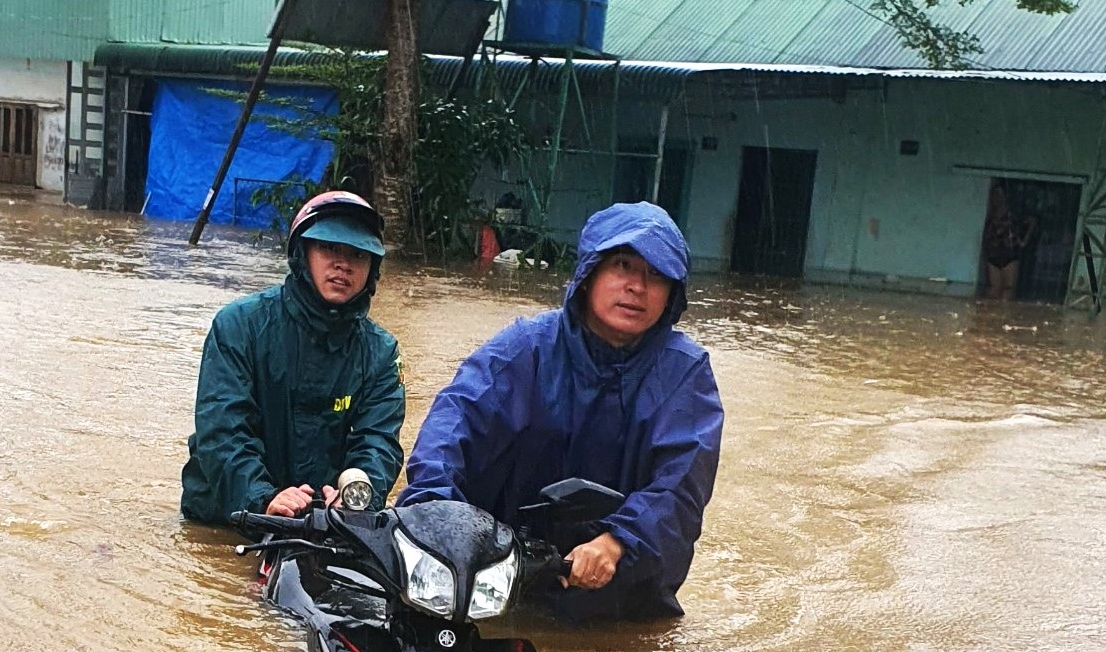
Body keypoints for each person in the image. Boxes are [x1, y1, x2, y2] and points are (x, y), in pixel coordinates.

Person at [398, 202, 724, 622]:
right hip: (497, 579)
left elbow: (680, 488)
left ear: (671, 294)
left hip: (622, 596)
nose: (637, 287)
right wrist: (433, 513)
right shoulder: (525, 347)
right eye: (622, 265)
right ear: (590, 275)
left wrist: (617, 542)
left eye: (656, 274)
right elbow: (452, 426)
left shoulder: (686, 373)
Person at [182, 191, 406, 525]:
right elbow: (223, 433)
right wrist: (263, 497)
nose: (343, 264)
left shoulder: (380, 352)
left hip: (325, 521)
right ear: (303, 254)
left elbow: (378, 442)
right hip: (227, 519)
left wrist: (359, 496)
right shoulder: (238, 326)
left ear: (372, 269)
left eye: (358, 254)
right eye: (329, 248)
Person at [981, 182, 1036, 300]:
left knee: (1008, 290)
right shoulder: (989, 213)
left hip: (1010, 254)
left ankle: (1006, 314)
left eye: (1000, 194)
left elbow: (1031, 221)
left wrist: (1024, 241)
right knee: (993, 290)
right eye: (995, 194)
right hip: (993, 255)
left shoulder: (1014, 212)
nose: (997, 198)